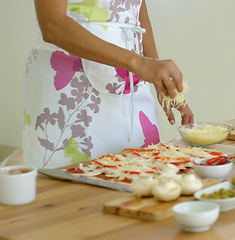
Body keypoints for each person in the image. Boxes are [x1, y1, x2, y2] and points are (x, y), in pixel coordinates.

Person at [23, 0, 194, 169]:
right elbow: (53, 25)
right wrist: (139, 63)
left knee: (141, 174)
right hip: (70, 82)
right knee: (69, 182)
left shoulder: (138, 63)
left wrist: (157, 74)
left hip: (133, 81)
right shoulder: (136, 63)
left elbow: (140, 14)